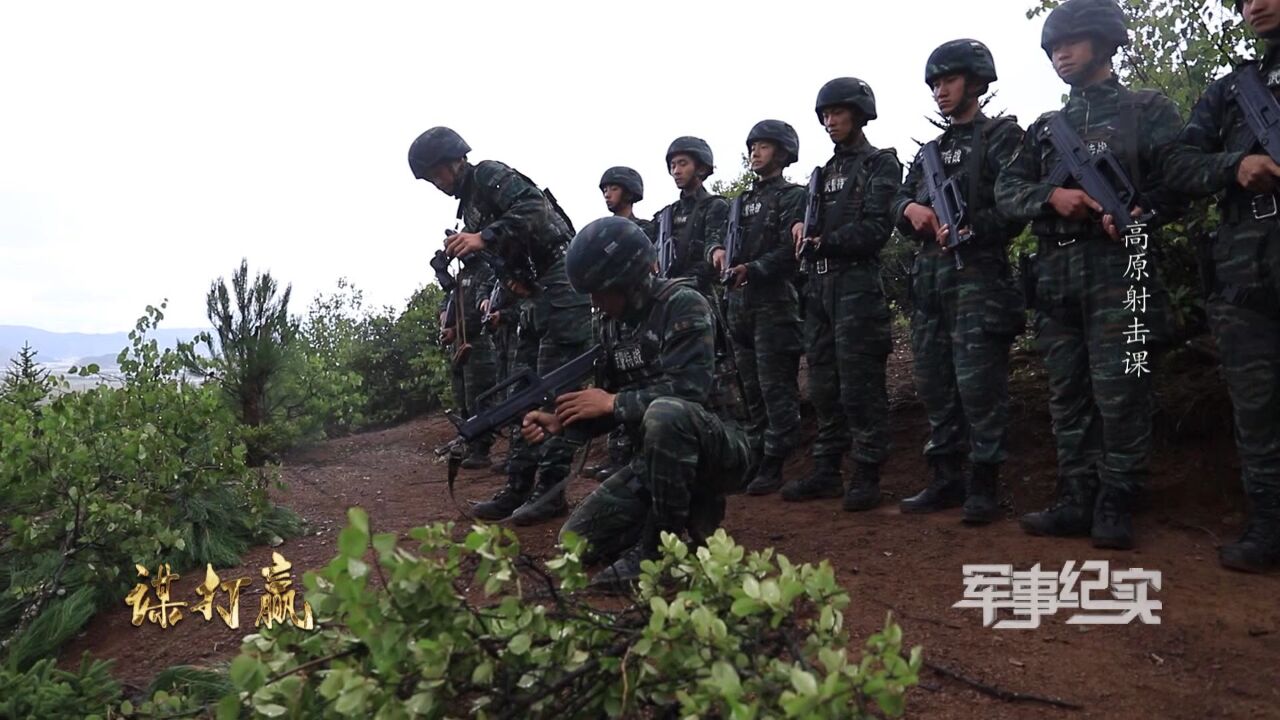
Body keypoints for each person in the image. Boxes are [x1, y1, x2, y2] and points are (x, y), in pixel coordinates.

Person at [995, 0, 1183, 549]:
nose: (1061, 56)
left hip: (1122, 269)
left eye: (1071, 44)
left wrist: (1148, 214)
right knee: (1067, 391)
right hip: (1056, 276)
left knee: (1124, 389)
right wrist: (1051, 196)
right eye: (1053, 48)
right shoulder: (1045, 129)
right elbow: (1007, 192)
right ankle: (1076, 496)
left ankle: (1119, 497)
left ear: (1103, 43)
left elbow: (1178, 180)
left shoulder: (1146, 109)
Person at [529, 216, 751, 585]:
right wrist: (560, 422)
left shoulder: (684, 304)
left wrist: (612, 403)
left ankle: (660, 551)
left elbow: (688, 392)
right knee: (575, 542)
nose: (596, 301)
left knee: (666, 415)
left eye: (602, 290)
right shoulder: (612, 324)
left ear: (629, 279)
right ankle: (678, 520)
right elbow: (605, 406)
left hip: (723, 448)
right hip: (655, 461)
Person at [408, 126, 592, 525]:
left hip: (562, 274)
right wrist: (508, 279)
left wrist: (482, 237)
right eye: (430, 179)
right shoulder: (469, 206)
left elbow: (534, 209)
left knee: (554, 384)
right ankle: (518, 485)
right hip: (534, 289)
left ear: (455, 161)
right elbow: (506, 254)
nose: (437, 184)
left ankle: (551, 489)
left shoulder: (489, 175)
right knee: (523, 389)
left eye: (437, 174)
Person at [1160, 0, 1280, 571]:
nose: (1254, 5)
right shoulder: (1233, 89)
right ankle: (1268, 529)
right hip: (1246, 280)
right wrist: (1234, 166)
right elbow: (1177, 164)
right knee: (1256, 412)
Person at [892, 39, 1027, 523]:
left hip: (978, 276)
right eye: (934, 84)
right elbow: (899, 202)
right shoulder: (932, 150)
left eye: (948, 81)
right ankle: (945, 477)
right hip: (929, 282)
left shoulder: (1002, 139)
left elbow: (1015, 206)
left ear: (975, 82)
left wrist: (971, 228)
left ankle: (985, 485)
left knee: (980, 387)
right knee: (934, 383)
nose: (940, 92)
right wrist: (911, 209)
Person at [781, 77, 902, 512]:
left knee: (860, 384)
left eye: (838, 113)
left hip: (856, 286)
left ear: (859, 113)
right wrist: (800, 227)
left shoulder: (879, 165)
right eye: (825, 115)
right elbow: (804, 220)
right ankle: (827, 470)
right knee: (824, 385)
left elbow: (875, 228)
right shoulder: (821, 174)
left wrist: (823, 243)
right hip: (820, 288)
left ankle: (867, 472)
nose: (830, 121)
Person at [707, 120, 806, 495]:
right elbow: (715, 240)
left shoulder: (792, 197)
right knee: (749, 388)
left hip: (773, 303)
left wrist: (754, 268)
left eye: (763, 147)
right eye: (752, 147)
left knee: (774, 385)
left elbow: (788, 251)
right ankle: (756, 456)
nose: (755, 153)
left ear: (781, 153)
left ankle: (776, 460)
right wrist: (715, 252)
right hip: (738, 305)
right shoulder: (738, 203)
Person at [438, 255, 499, 469]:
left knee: (479, 398)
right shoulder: (462, 274)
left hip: (479, 345)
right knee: (462, 398)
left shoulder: (486, 271)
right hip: (461, 344)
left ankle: (482, 449)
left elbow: (478, 312)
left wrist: (454, 331)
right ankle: (470, 443)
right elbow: (449, 303)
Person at [648, 137, 729, 297]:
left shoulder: (715, 206)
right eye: (673, 165)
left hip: (699, 296)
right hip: (663, 296)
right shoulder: (665, 215)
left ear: (700, 168)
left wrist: (677, 284)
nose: (676, 171)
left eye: (683, 164)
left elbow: (713, 251)